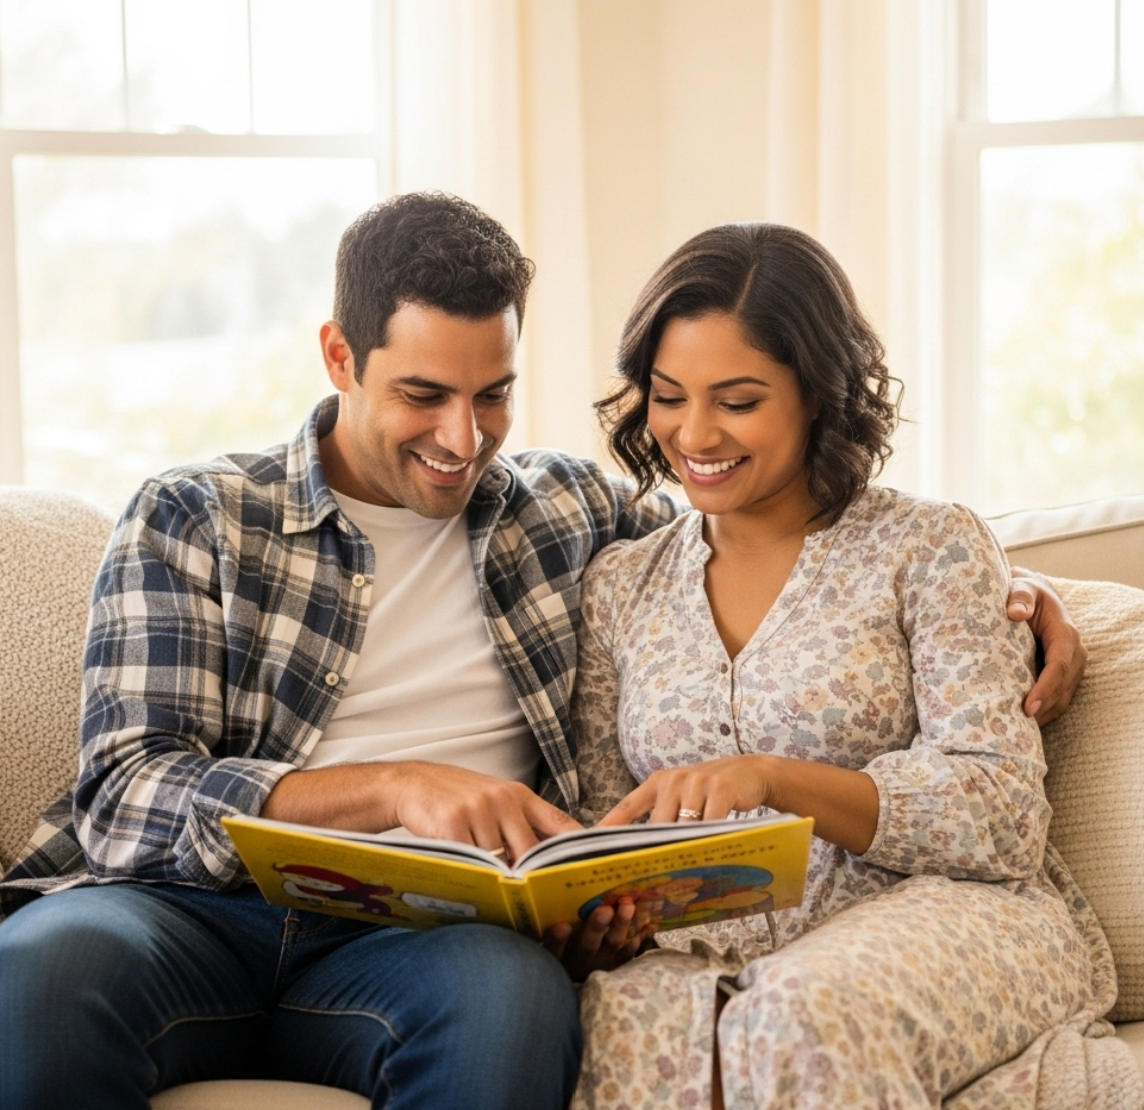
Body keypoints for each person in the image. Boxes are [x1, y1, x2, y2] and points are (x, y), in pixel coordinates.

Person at [0, 193, 1085, 1109]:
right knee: (42, 977)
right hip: (193, 912)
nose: (462, 440)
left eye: (494, 395)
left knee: (511, 1008)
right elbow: (125, 795)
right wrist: (392, 790)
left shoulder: (565, 515)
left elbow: (777, 537)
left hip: (424, 934)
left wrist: (1021, 594)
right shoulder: (196, 518)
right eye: (423, 395)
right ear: (339, 356)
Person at [568, 223, 1137, 1109]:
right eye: (668, 396)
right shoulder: (619, 586)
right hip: (710, 950)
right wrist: (604, 920)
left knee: (797, 1016)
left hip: (949, 915)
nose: (694, 432)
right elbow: (606, 828)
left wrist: (773, 779)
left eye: (738, 401)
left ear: (818, 394)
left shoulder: (931, 547)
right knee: (630, 1029)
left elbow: (1002, 815)